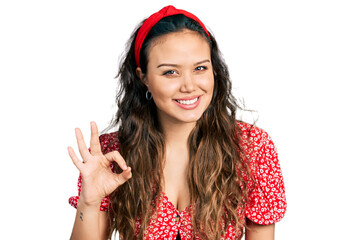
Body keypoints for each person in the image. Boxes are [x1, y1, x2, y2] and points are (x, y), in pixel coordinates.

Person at [68, 5, 286, 240]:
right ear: (144, 78)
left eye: (200, 68)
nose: (189, 86)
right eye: (170, 72)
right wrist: (89, 203)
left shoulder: (252, 147)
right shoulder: (111, 155)